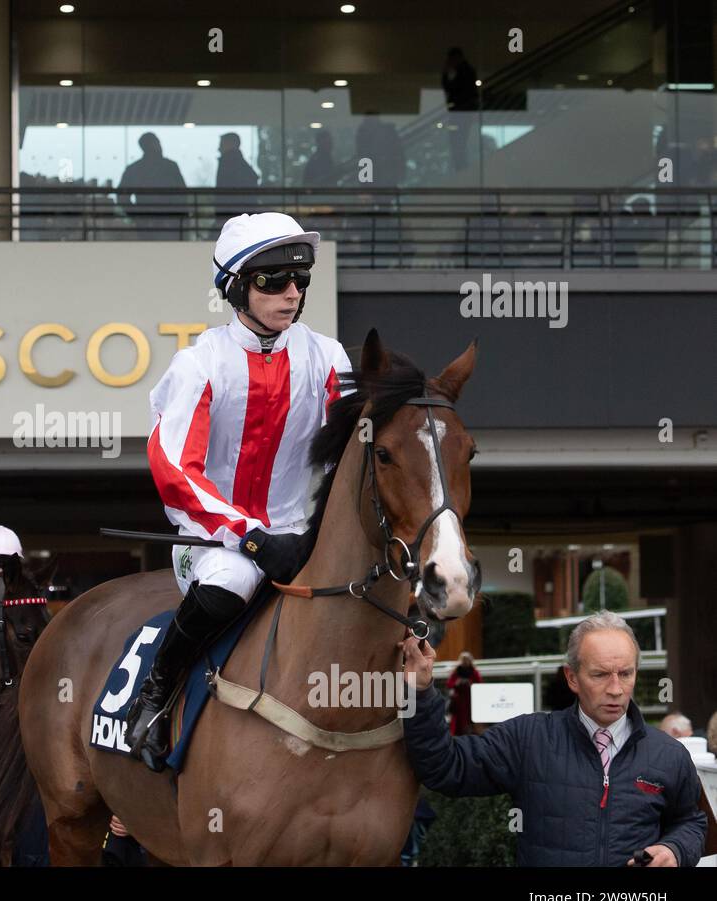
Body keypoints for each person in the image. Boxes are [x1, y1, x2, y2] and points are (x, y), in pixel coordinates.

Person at [124, 211, 352, 771]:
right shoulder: (199, 365)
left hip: (301, 534)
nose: (291, 293)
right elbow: (175, 468)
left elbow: (354, 449)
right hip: (216, 543)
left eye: (300, 280)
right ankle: (154, 692)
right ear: (235, 288)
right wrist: (250, 536)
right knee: (233, 583)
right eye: (273, 281)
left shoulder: (329, 357)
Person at [402, 610, 708, 866]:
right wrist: (420, 690)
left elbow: (691, 822)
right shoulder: (529, 740)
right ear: (572, 678)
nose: (616, 689)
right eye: (600, 675)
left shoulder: (669, 754)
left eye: (625, 674)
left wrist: (674, 850)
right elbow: (444, 767)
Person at [116, 132, 188, 239]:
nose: (160, 145)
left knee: (147, 253)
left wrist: (136, 215)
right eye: (157, 142)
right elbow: (183, 193)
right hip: (168, 223)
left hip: (147, 223)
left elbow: (121, 196)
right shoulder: (170, 167)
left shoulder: (134, 169)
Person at [212, 132, 260, 234]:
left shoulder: (228, 163)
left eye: (221, 144)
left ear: (230, 144)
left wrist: (221, 216)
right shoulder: (240, 164)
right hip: (237, 215)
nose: (218, 148)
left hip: (231, 216)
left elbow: (224, 191)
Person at [441, 47, 480, 173]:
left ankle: (461, 169)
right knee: (459, 142)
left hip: (461, 112)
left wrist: (446, 74)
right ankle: (461, 168)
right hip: (462, 112)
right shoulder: (466, 71)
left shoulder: (464, 72)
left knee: (458, 142)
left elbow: (451, 89)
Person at [446, 651, 482, 735]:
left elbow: (479, 684)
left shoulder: (473, 672)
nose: (465, 662)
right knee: (457, 720)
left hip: (470, 700)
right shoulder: (457, 671)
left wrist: (470, 683)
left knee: (470, 719)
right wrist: (457, 683)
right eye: (464, 660)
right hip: (458, 700)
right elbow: (449, 684)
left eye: (467, 660)